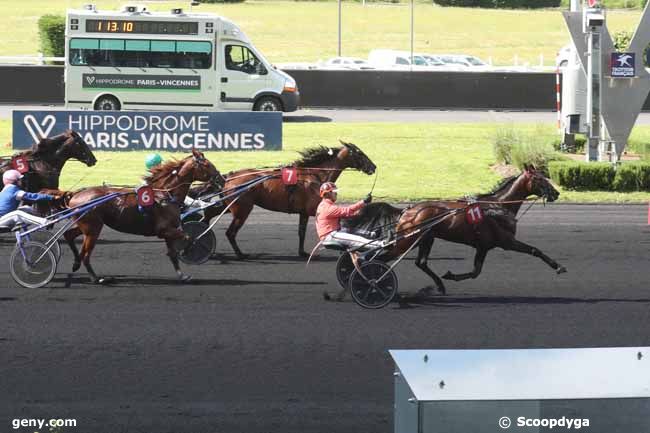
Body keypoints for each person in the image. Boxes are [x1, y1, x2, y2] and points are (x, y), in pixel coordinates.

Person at [315, 181, 379, 250]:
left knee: (350, 229)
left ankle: (371, 234)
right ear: (328, 194)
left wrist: (358, 213)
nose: (336, 193)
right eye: (334, 192)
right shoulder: (328, 208)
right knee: (357, 239)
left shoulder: (323, 205)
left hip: (332, 232)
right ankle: (381, 244)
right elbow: (347, 210)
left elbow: (346, 214)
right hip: (330, 236)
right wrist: (363, 202)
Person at [144, 153, 213, 210]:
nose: (162, 164)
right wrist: (198, 203)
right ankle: (199, 204)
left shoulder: (147, 179)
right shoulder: (159, 178)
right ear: (156, 165)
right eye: (160, 163)